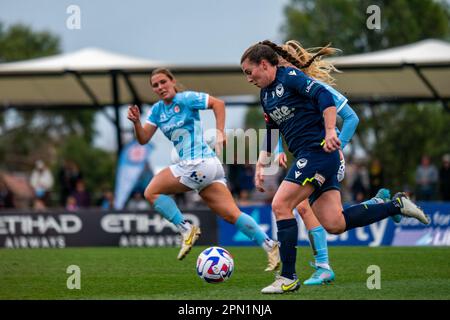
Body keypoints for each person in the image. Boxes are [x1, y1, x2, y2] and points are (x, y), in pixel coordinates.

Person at [240, 40, 430, 294]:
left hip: (318, 153)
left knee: (280, 205)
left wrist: (331, 132)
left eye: (248, 71)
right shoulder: (266, 94)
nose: (248, 78)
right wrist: (261, 165)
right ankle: (395, 205)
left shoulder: (291, 77)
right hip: (311, 157)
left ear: (264, 64)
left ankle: (288, 277)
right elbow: (272, 130)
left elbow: (325, 97)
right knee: (334, 223)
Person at [127, 68, 280, 271]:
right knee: (231, 214)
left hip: (198, 163)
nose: (160, 87)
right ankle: (270, 246)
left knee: (151, 191)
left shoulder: (186, 99)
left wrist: (219, 132)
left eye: (163, 82)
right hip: (208, 167)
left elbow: (218, 103)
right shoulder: (157, 111)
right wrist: (137, 122)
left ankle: (185, 229)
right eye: (155, 85)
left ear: (172, 81)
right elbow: (144, 138)